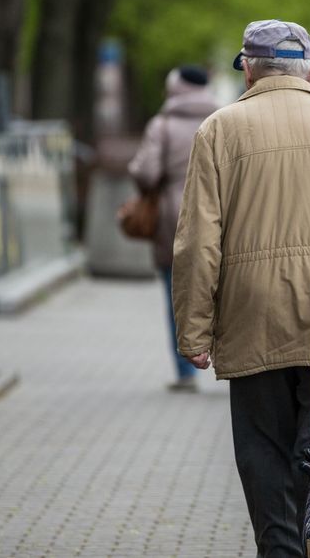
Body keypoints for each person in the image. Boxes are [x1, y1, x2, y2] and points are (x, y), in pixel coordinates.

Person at [173, 19, 310, 557]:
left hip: (251, 321)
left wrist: (194, 331)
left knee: (265, 458)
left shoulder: (219, 130)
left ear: (248, 68)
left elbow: (198, 241)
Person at [128, 65, 219, 393]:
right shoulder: (224, 119)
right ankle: (234, 365)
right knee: (226, 291)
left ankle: (185, 371)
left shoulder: (162, 125)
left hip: (173, 216)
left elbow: (147, 173)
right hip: (220, 215)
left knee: (176, 293)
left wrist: (136, 169)